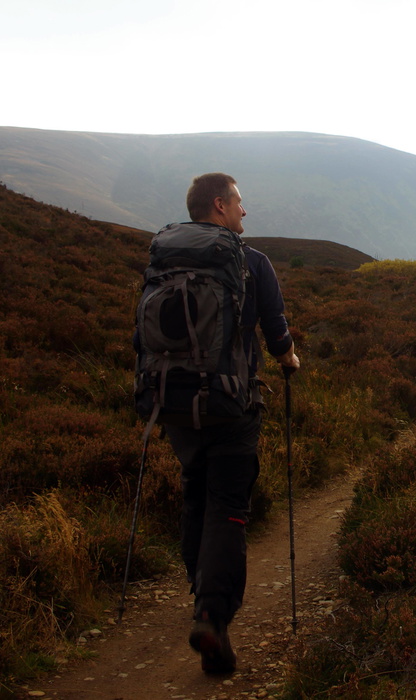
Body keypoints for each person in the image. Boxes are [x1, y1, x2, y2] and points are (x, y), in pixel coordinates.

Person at [163, 172, 299, 674]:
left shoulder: (165, 255)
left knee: (195, 492)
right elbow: (276, 332)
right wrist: (289, 361)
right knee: (227, 504)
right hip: (231, 405)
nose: (246, 211)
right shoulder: (252, 262)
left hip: (175, 405)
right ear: (219, 205)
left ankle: (202, 591)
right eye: (240, 202)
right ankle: (211, 615)